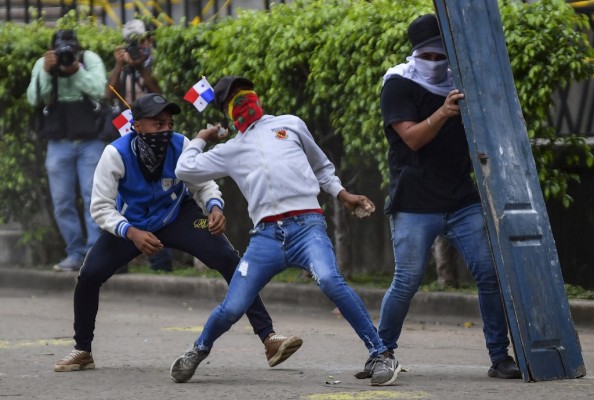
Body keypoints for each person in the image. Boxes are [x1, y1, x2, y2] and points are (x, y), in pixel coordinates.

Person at [171, 76, 399, 386]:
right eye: (234, 97)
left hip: (307, 226)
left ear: (256, 96)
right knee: (234, 305)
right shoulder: (230, 149)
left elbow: (321, 166)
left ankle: (381, 354)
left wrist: (342, 194)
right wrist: (201, 137)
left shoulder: (290, 124)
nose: (243, 99)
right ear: (227, 110)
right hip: (266, 236)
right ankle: (197, 350)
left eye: (245, 92)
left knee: (331, 279)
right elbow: (184, 170)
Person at [53, 93, 302, 372]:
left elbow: (202, 183)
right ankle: (82, 350)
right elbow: (100, 208)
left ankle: (269, 338)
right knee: (88, 275)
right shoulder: (115, 153)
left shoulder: (181, 144)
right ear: (137, 126)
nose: (166, 130)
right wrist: (131, 232)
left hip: (177, 215)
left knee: (228, 258)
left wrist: (214, 207)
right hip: (132, 225)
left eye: (169, 124)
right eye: (158, 124)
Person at [369, 13, 521, 380]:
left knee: (489, 273)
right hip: (414, 200)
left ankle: (499, 356)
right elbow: (412, 138)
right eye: (428, 56)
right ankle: (380, 353)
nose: (435, 64)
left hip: (460, 197)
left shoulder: (463, 82)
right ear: (415, 54)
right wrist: (443, 112)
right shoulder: (398, 84)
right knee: (406, 281)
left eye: (441, 56)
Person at [26, 29, 107, 272]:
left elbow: (100, 90)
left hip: (90, 141)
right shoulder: (44, 64)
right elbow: (34, 99)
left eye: (70, 49)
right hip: (58, 142)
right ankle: (75, 253)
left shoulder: (88, 60)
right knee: (62, 201)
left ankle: (95, 254)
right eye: (61, 50)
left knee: (93, 198)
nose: (66, 54)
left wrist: (76, 72)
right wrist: (46, 72)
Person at [105, 18, 172, 272]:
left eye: (140, 41)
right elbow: (109, 94)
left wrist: (143, 67)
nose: (137, 47)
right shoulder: (124, 64)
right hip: (130, 137)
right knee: (124, 195)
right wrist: (120, 65)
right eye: (132, 43)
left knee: (155, 194)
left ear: (148, 40)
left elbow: (162, 95)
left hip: (156, 137)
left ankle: (161, 261)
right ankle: (118, 261)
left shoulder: (156, 61)